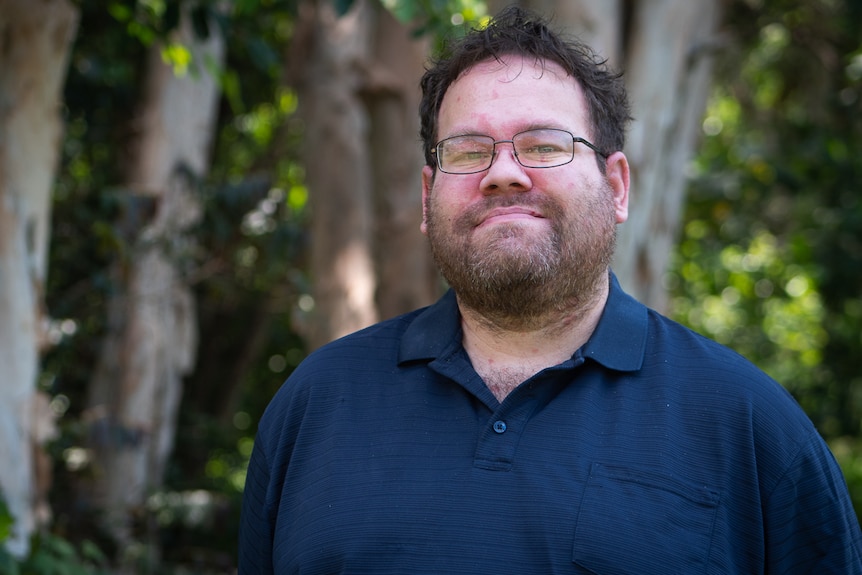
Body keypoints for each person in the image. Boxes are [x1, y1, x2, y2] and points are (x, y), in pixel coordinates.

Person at [239, 6, 862, 574]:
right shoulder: (315, 407)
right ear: (427, 196)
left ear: (616, 188)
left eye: (544, 145)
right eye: (468, 149)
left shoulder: (749, 427)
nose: (503, 173)